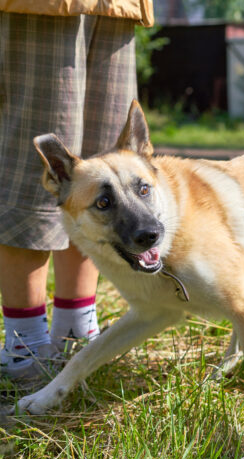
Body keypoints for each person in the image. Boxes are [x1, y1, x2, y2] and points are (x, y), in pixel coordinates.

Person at [0, 0, 154, 378]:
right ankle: (27, 349)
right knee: (37, 166)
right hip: (38, 6)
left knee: (106, 165)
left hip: (118, 5)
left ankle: (76, 336)